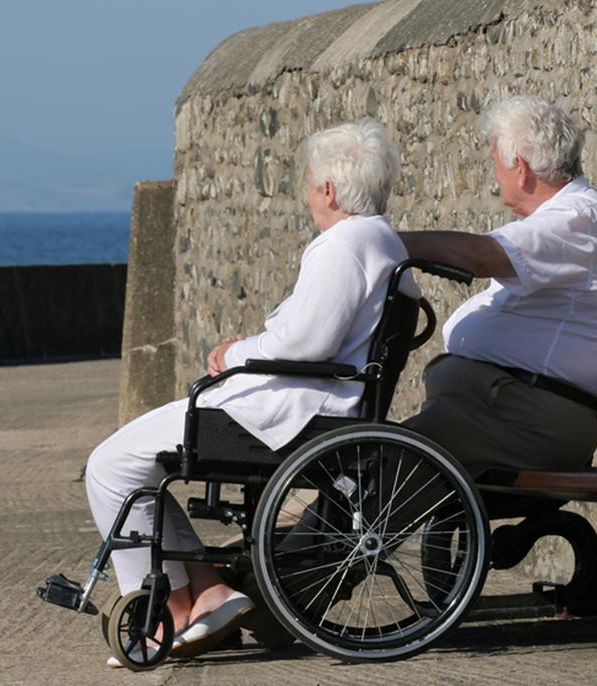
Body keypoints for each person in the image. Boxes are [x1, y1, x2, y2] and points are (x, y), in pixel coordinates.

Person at [85, 117, 419, 664]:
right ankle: (207, 591)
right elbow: (309, 336)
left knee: (110, 464)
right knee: (129, 463)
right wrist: (257, 346)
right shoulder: (381, 241)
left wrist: (234, 354)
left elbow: (307, 341)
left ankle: (169, 607)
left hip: (288, 412)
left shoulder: (343, 245)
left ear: (329, 190)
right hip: (306, 401)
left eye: (310, 185)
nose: (308, 196)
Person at [401, 95, 597, 475]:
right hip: (506, 409)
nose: (494, 175)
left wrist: (382, 242)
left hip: (530, 420)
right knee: (379, 464)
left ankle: (306, 532)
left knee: (388, 463)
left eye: (495, 163)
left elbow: (482, 256)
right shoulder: (560, 222)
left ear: (520, 168)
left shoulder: (578, 220)